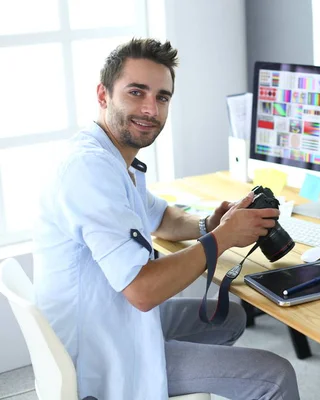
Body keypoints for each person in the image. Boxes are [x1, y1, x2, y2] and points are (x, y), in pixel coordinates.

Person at [33, 38, 300, 400]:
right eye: (136, 92)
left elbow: (162, 218)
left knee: (230, 317)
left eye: (162, 97)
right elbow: (143, 292)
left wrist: (212, 223)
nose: (150, 109)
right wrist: (222, 240)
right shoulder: (89, 171)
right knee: (276, 375)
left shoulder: (111, 157)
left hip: (113, 320)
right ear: (103, 94)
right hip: (102, 354)